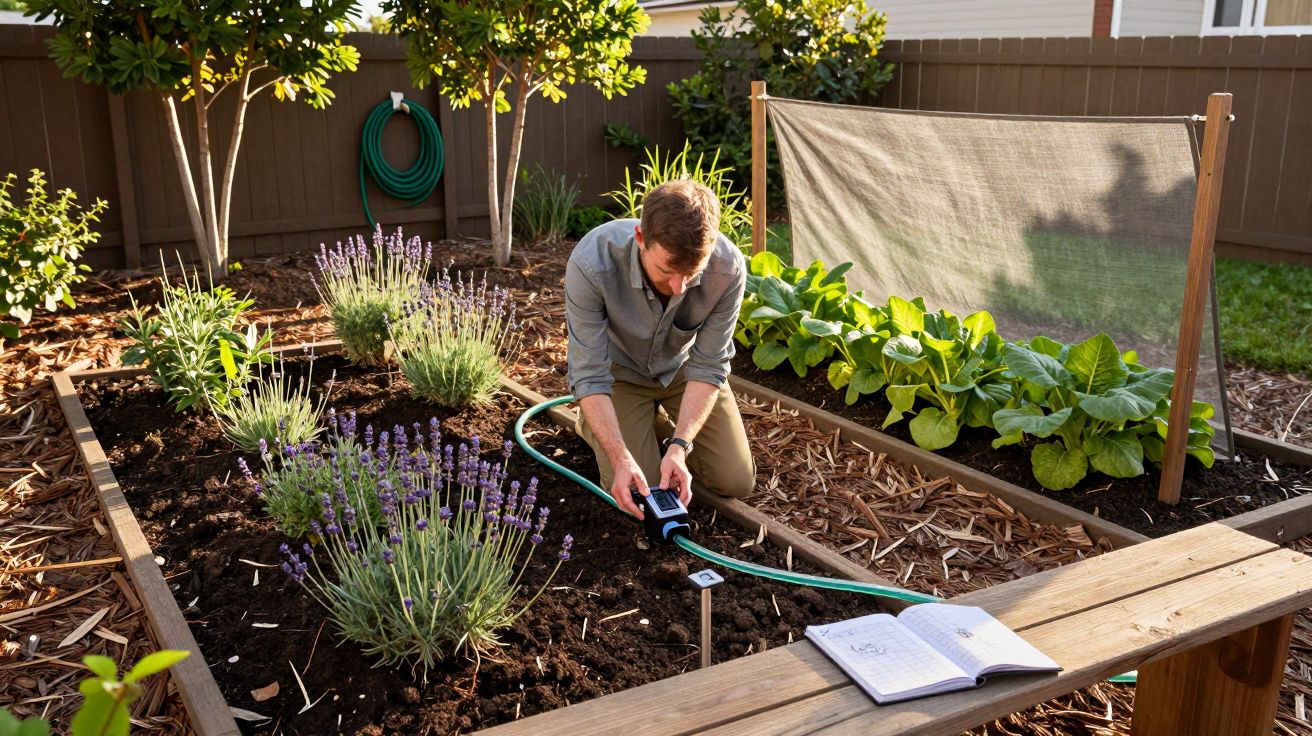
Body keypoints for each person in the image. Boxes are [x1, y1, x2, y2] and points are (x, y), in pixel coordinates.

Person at [564, 180, 755, 520]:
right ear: (640, 238)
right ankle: (593, 424)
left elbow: (709, 365)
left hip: (682, 372)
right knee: (643, 491)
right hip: (618, 375)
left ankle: (657, 427)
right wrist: (620, 458)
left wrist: (680, 447)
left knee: (735, 481)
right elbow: (589, 374)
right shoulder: (592, 263)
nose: (680, 286)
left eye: (691, 274)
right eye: (667, 270)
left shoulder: (728, 269)